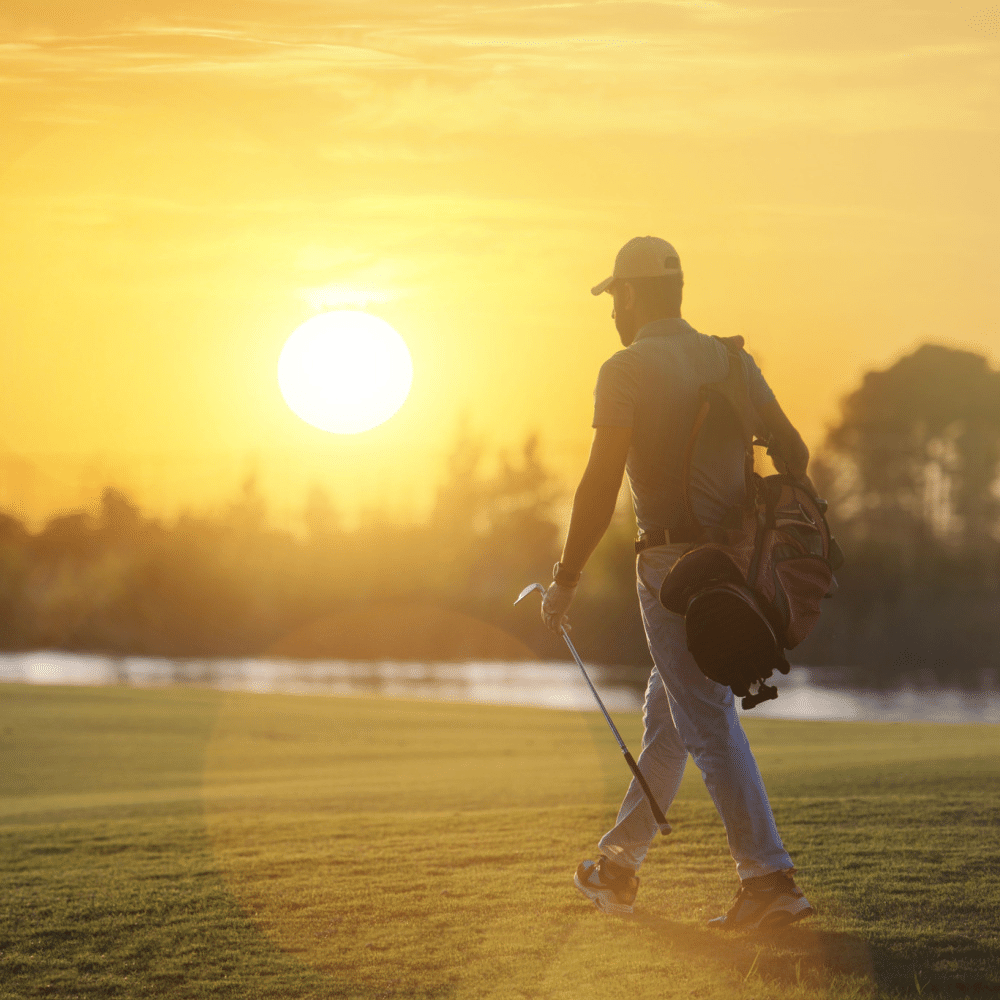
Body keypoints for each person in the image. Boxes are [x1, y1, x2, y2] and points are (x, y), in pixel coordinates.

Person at [542, 236, 814, 930]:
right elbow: (794, 451)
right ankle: (619, 868)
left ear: (629, 295)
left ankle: (769, 880)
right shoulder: (729, 358)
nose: (611, 313)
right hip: (736, 569)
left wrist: (566, 577)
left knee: (705, 720)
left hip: (671, 571)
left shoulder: (625, 367)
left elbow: (601, 484)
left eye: (613, 299)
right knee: (671, 715)